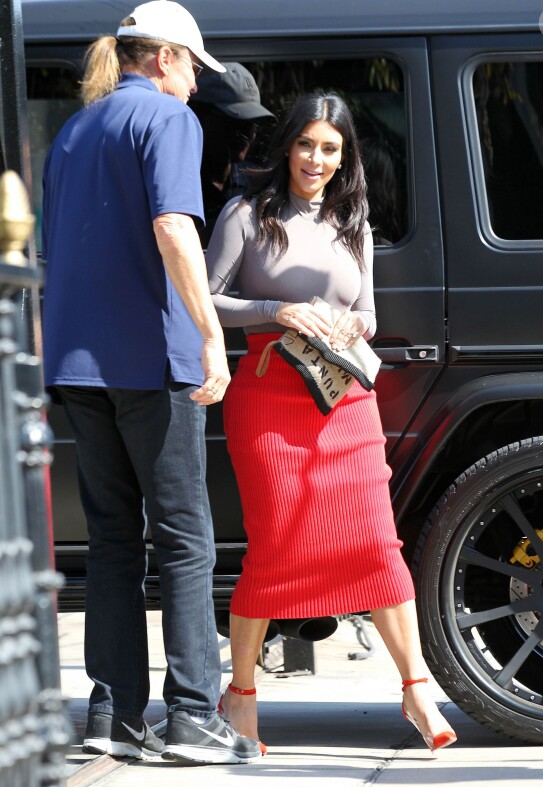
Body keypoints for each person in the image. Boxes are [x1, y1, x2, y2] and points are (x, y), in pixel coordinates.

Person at [204, 92, 458, 755]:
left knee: (378, 544)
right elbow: (203, 298)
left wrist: (352, 322)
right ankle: (242, 695)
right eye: (307, 144)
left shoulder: (354, 218)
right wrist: (275, 310)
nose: (316, 159)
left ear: (345, 156)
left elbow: (368, 312)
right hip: (269, 399)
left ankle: (413, 686)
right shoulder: (246, 213)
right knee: (276, 546)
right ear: (287, 145)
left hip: (345, 401)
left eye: (331, 148)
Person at [41, 0, 261, 766]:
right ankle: (195, 714)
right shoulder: (168, 122)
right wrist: (209, 335)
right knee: (186, 536)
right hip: (151, 359)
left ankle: (114, 711)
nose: (196, 87)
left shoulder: (72, 131)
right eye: (194, 71)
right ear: (166, 58)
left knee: (110, 542)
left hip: (77, 362)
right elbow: (175, 228)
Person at [189, 62, 274, 246]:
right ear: (199, 117)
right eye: (236, 121)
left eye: (254, 124)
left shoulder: (258, 185)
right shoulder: (178, 186)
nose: (249, 134)